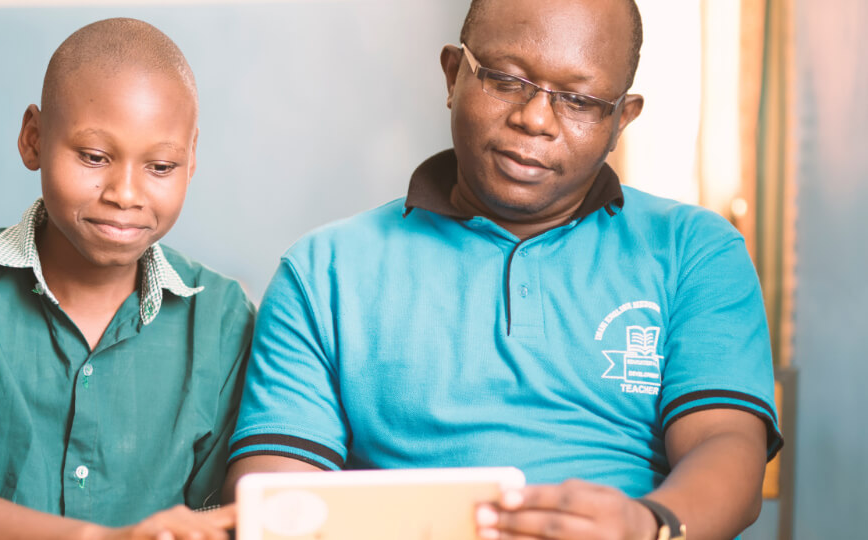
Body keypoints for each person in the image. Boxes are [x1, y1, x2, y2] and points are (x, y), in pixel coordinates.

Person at [223, 0, 783, 538]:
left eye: (580, 102)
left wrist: (647, 525)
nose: (534, 119)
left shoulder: (695, 250)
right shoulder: (325, 271)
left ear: (621, 121)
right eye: (506, 79)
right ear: (452, 76)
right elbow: (277, 496)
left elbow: (726, 447)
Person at [0, 18, 250, 540]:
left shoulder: (223, 320)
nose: (125, 193)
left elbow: (235, 517)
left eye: (162, 166)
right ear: (33, 138)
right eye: (95, 157)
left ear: (191, 157)